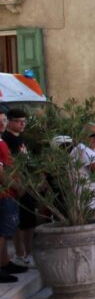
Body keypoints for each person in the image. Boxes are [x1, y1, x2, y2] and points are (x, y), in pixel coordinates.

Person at [4, 107, 35, 269]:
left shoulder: (21, 139)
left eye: (24, 121)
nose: (22, 124)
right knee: (18, 221)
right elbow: (10, 165)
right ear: (10, 121)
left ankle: (29, 252)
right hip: (16, 184)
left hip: (29, 182)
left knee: (29, 220)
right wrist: (18, 182)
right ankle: (19, 252)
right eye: (19, 121)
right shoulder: (6, 139)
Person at [0, 109, 25, 281]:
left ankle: (5, 262)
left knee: (7, 231)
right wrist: (16, 185)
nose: (1, 123)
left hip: (10, 192)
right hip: (4, 193)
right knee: (2, 232)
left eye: (3, 119)